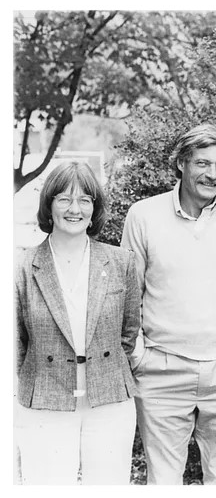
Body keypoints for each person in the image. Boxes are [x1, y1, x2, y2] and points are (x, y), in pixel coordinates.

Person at [121, 123, 216, 485]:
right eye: (203, 163)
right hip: (161, 370)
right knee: (164, 481)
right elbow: (128, 296)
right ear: (182, 163)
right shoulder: (143, 216)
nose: (213, 174)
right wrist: (139, 356)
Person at [14, 161, 141, 484]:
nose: (75, 209)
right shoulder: (22, 267)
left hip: (109, 398)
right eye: (64, 199)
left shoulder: (120, 262)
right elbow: (15, 343)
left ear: (94, 208)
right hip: (45, 400)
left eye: (85, 199)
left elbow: (128, 332)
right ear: (49, 205)